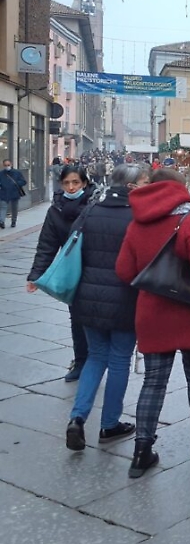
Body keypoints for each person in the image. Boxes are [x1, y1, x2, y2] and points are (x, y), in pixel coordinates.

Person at [115, 168, 190, 478]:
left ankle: (142, 450)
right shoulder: (187, 220)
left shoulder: (137, 224)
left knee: (154, 382)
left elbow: (124, 271)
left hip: (153, 312)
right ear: (177, 190)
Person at [65, 163, 151, 451]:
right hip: (124, 299)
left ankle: (77, 418)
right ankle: (110, 424)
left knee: (95, 357)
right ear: (130, 187)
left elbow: (72, 247)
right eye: (143, 182)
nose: (147, 186)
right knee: (118, 361)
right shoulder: (138, 217)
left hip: (88, 297)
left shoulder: (90, 210)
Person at [26, 165, 97, 381]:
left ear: (84, 183)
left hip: (95, 268)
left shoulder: (96, 205)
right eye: (67, 183)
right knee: (76, 318)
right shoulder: (55, 210)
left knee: (96, 318)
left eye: (76, 182)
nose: (71, 187)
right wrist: (35, 275)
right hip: (71, 272)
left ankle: (97, 360)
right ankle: (81, 360)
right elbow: (47, 244)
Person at [0, 159, 27, 229]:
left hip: (14, 193)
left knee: (14, 208)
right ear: (3, 166)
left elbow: (24, 181)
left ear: (11, 165)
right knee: (3, 207)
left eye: (8, 165)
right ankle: (2, 221)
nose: (7, 167)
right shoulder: (1, 173)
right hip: (4, 193)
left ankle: (13, 221)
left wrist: (16, 184)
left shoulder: (17, 172)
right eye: (5, 165)